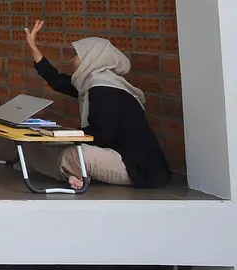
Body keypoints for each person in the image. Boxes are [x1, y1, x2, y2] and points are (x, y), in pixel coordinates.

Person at [24, 20, 172, 189]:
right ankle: (71, 173)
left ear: (91, 59)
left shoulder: (104, 89)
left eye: (76, 55)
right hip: (116, 155)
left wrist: (65, 136)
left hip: (135, 167)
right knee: (46, 147)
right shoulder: (94, 83)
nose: (71, 60)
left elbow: (101, 134)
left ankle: (71, 174)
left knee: (73, 155)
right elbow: (58, 81)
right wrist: (33, 47)